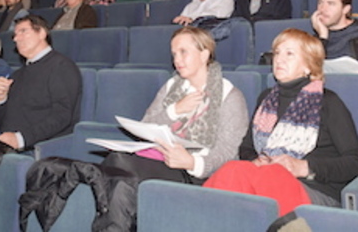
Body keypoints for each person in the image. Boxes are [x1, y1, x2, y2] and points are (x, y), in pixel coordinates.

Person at [98, 27, 249, 229]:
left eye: (183, 52)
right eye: (174, 54)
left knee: (118, 169)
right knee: (119, 170)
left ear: (204, 55)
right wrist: (174, 111)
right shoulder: (171, 87)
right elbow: (145, 126)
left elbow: (229, 152)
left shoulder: (229, 96)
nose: (177, 59)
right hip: (162, 160)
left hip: (198, 173)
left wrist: (191, 161)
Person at [203, 28, 358, 215]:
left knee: (272, 175)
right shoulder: (266, 100)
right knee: (234, 169)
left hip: (316, 190)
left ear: (309, 66)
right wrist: (257, 161)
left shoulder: (328, 102)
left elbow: (356, 163)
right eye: (277, 53)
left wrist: (304, 167)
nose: (279, 59)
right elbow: (246, 148)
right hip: (264, 181)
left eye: (289, 54)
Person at [0, 15, 82, 150]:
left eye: (23, 31)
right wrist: (0, 100)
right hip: (9, 146)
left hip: (43, 148)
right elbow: (3, 124)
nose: (16, 38)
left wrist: (21, 139)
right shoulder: (17, 75)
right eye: (15, 34)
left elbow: (62, 116)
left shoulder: (61, 66)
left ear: (42, 33)